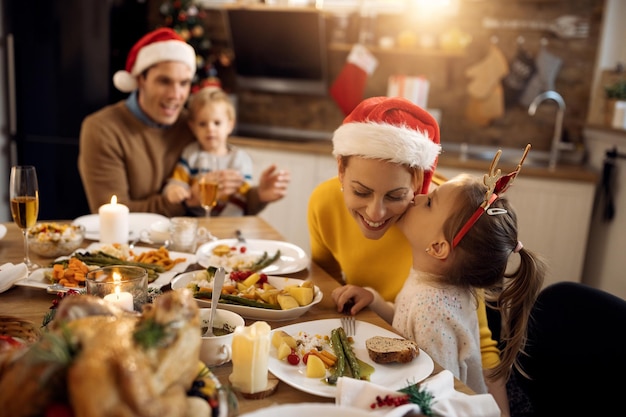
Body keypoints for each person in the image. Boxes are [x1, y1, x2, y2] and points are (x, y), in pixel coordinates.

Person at [307, 96, 509, 414]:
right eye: (360, 191)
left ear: (418, 182)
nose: (376, 212)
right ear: (341, 171)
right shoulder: (323, 203)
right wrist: (371, 298)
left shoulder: (449, 224)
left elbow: (477, 346)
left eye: (396, 195)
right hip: (374, 370)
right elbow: (323, 288)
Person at [332, 145, 546, 397]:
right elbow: (408, 328)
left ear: (437, 247)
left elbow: (438, 394)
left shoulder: (431, 310)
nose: (418, 197)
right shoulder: (434, 285)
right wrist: (375, 300)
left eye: (430, 203)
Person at [78, 28, 288, 217]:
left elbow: (226, 207)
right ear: (140, 79)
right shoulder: (103, 129)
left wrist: (259, 196)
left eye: (184, 83)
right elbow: (110, 215)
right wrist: (190, 200)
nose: (176, 95)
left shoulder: (194, 124)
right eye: (164, 81)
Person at [163, 87, 289, 216]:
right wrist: (174, 190)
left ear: (230, 125)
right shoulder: (191, 154)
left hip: (229, 220)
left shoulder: (240, 159)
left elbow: (242, 196)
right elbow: (178, 181)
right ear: (192, 127)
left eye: (217, 123)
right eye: (202, 124)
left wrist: (225, 221)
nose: (210, 129)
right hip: (194, 220)